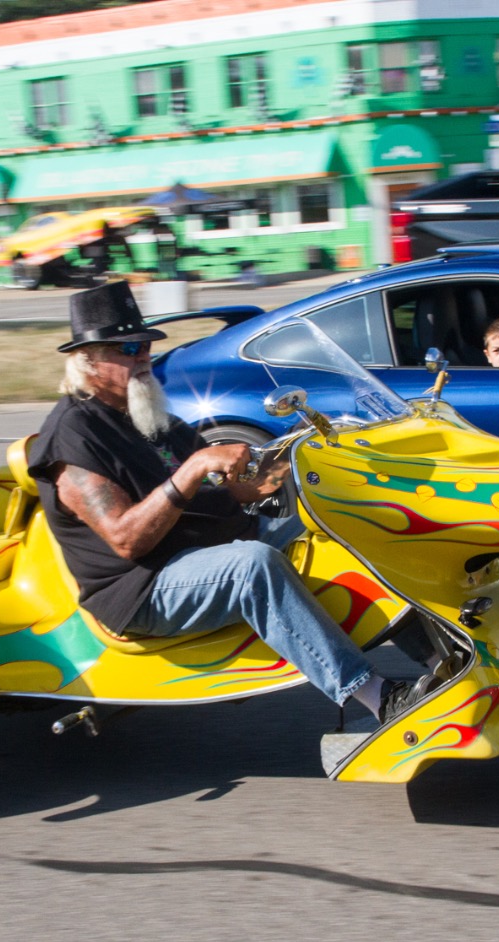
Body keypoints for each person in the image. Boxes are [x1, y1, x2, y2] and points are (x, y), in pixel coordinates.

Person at [28, 281, 423, 769]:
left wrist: (303, 451)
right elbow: (127, 539)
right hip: (143, 586)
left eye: (147, 345)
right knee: (251, 567)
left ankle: (442, 657)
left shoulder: (141, 410)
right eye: (127, 349)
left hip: (211, 540)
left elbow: (236, 490)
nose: (143, 356)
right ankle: (377, 697)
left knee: (350, 520)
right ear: (88, 359)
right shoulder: (73, 435)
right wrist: (192, 471)